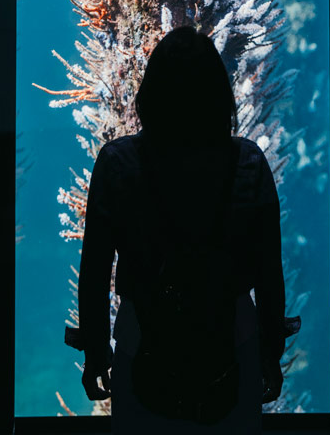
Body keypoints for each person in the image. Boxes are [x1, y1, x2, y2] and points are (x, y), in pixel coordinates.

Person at [74, 25, 287, 432]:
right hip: (231, 351)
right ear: (219, 97)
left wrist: (96, 354)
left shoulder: (118, 163)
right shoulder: (249, 163)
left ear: (150, 95)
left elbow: (96, 272)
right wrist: (270, 353)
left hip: (143, 353)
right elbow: (268, 273)